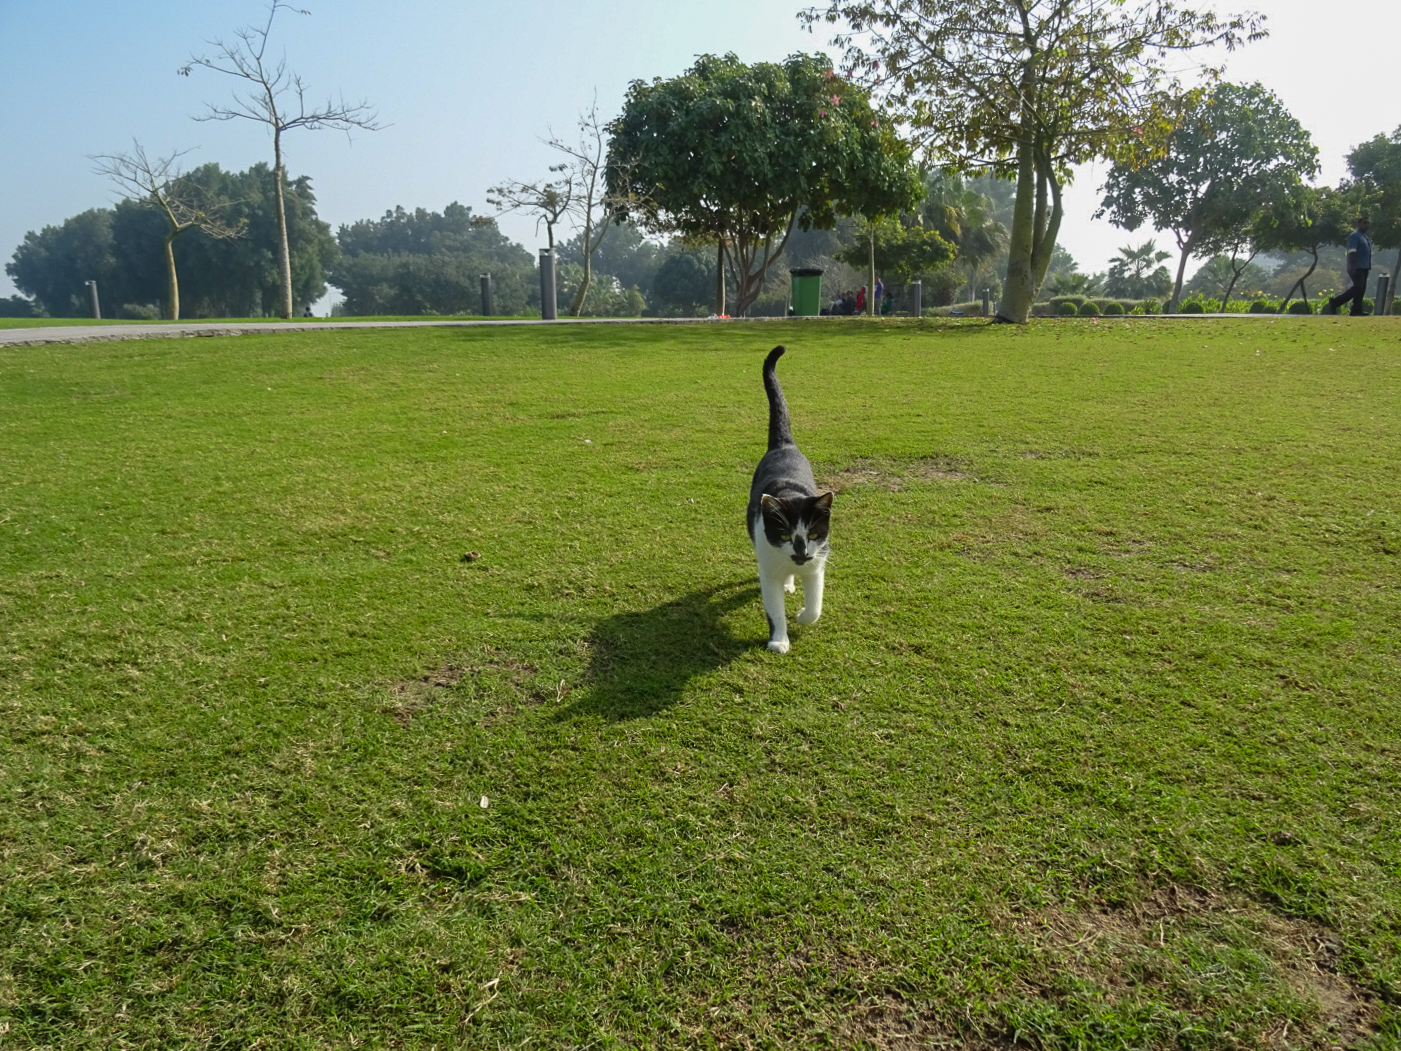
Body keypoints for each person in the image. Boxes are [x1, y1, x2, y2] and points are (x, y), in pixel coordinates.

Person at [1324, 216, 1373, 316]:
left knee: (1361, 288)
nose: (1366, 224)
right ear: (1358, 224)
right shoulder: (1355, 236)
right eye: (1364, 222)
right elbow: (1351, 252)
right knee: (1358, 287)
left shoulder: (1365, 237)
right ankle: (1336, 302)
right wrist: (1352, 266)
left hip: (1364, 266)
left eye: (1368, 223)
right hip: (1357, 266)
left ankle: (1356, 309)